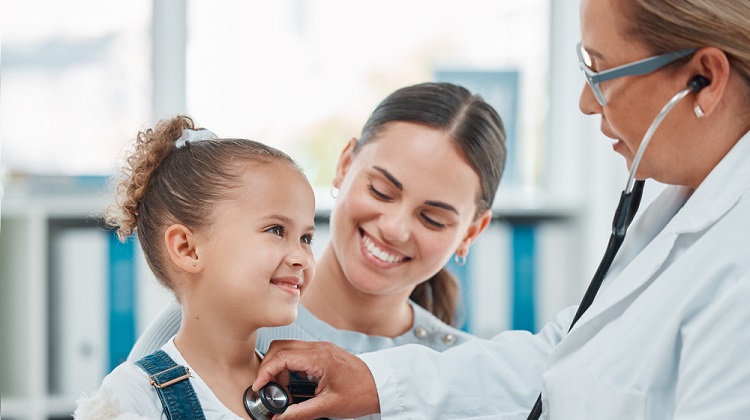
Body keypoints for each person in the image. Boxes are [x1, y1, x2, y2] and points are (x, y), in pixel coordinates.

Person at [251, 0, 750, 419]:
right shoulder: (679, 216)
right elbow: (558, 357)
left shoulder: (735, 265)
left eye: (600, 72)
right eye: (383, 191)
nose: (584, 102)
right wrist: (373, 379)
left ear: (704, 79)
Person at [127, 82, 508, 361]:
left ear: (471, 232)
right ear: (344, 166)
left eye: (432, 218)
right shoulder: (218, 316)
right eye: (380, 191)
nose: (394, 228)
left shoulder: (464, 370)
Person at [74, 115, 316, 419]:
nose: (303, 258)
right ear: (187, 249)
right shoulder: (133, 398)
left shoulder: (311, 389)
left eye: (306, 237)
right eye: (276, 230)